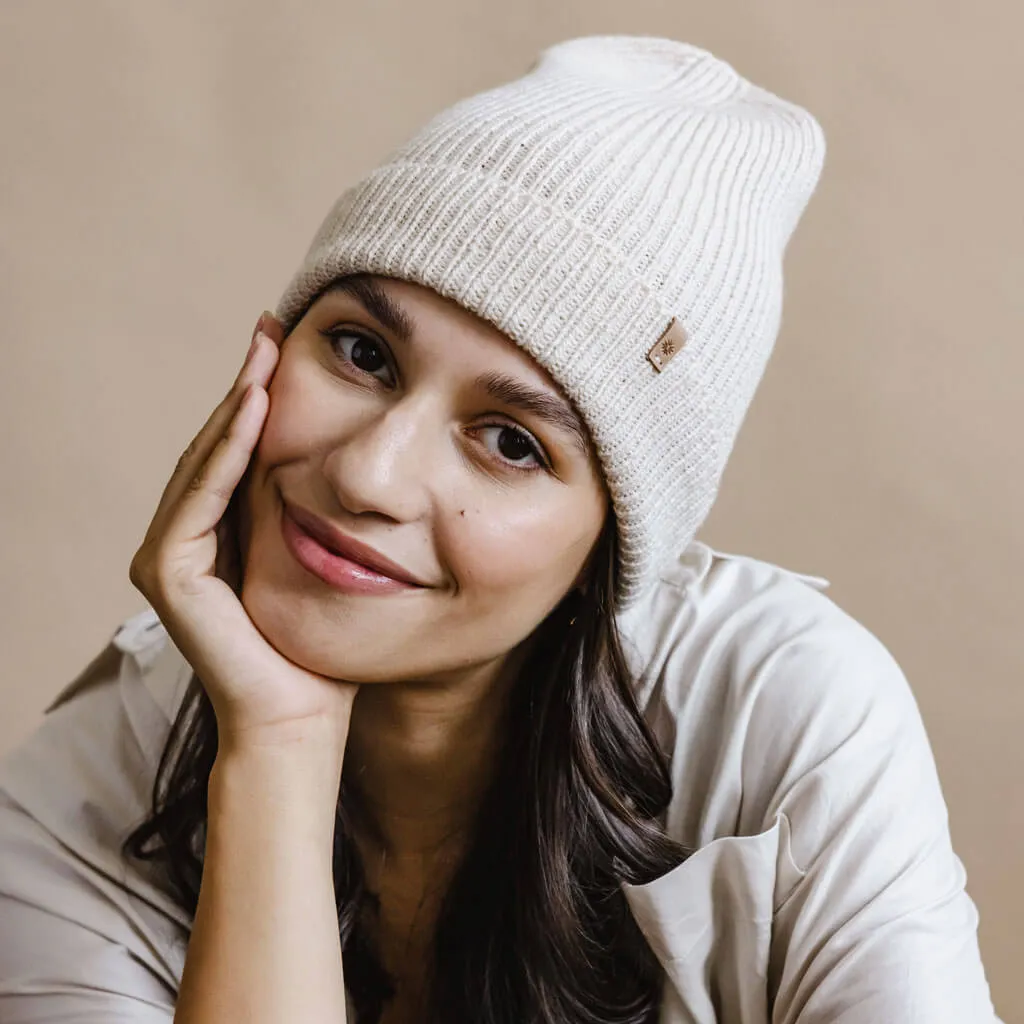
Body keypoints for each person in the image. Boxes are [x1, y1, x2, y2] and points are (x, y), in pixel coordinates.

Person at [0, 34, 1003, 1024]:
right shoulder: (96, 778)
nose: (368, 472)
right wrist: (279, 744)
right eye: (360, 351)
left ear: (611, 549)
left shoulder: (777, 717)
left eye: (512, 443)